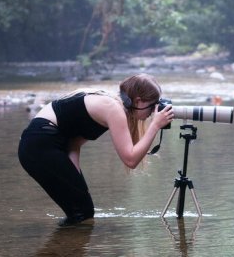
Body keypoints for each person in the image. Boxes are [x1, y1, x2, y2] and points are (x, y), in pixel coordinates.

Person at [18, 73, 174, 225]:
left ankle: (66, 248)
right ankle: (63, 249)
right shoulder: (113, 108)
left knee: (81, 210)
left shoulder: (111, 102)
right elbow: (130, 159)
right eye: (152, 106)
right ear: (139, 101)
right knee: (82, 212)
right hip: (39, 145)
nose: (153, 111)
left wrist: (77, 179)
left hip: (38, 145)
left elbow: (74, 142)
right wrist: (155, 126)